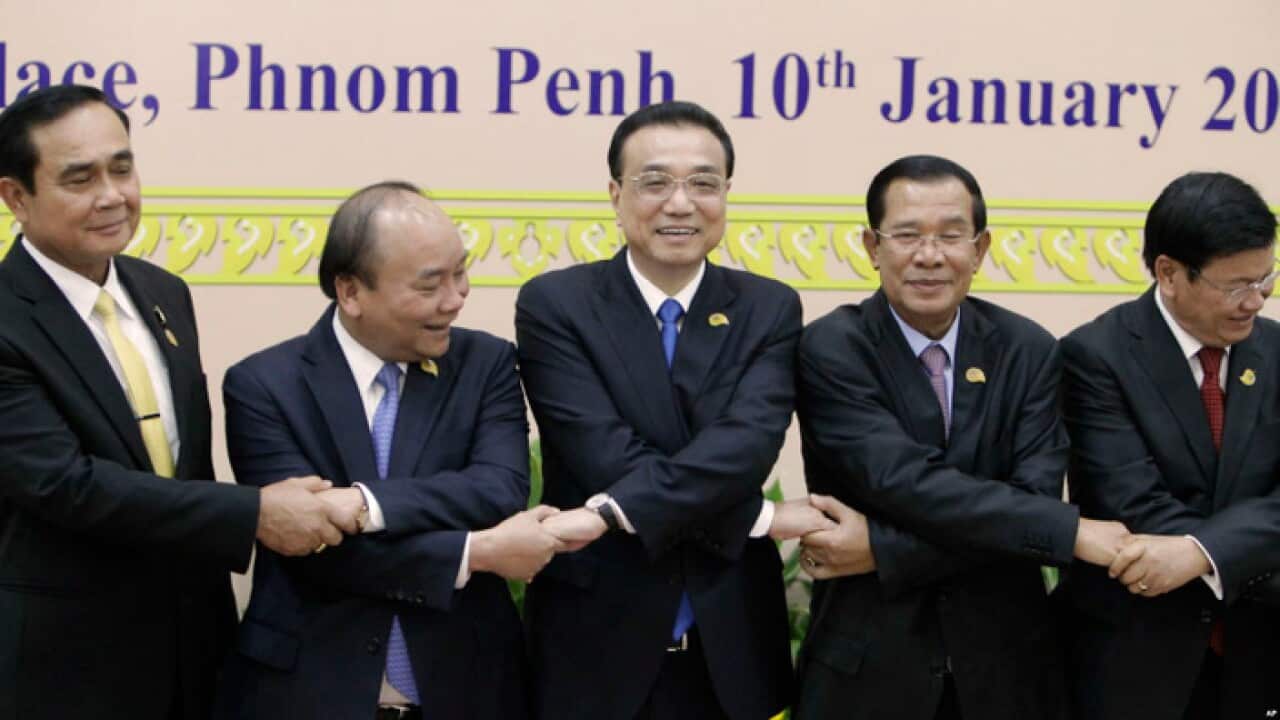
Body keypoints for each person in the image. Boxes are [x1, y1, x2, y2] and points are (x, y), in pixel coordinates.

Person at [0, 84, 348, 720]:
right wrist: (254, 513)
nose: (112, 195)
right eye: (80, 178)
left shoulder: (164, 292)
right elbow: (66, 485)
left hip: (194, 648)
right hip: (69, 665)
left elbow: (182, 466)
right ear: (16, 197)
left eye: (122, 168)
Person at [516, 100, 830, 720]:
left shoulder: (768, 307)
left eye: (703, 184)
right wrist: (759, 519)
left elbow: (745, 451)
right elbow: (604, 456)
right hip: (595, 643)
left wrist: (609, 514)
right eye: (655, 182)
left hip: (732, 646)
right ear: (616, 195)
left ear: (726, 194)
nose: (681, 204)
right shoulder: (557, 304)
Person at [791, 155, 1130, 720]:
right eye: (907, 235)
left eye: (951, 236)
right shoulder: (833, 347)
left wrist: (881, 550)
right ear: (872, 247)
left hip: (1008, 670)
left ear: (981, 248)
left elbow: (1034, 497)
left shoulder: (1028, 350)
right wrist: (1065, 532)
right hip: (869, 672)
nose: (930, 256)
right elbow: (902, 482)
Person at [214, 181, 561, 720]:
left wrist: (363, 505)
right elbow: (313, 548)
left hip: (467, 688)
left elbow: (497, 489)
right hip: (310, 694)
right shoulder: (264, 385)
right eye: (429, 285)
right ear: (350, 292)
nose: (455, 298)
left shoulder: (486, 364)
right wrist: (477, 552)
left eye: (460, 273)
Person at [1060, 171, 1280, 719]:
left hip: (1261, 656)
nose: (1254, 301)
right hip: (1141, 661)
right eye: (1235, 287)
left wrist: (1200, 553)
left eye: (1265, 280)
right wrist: (1243, 550)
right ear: (1169, 272)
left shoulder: (1276, 351)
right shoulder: (1094, 356)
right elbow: (1132, 505)